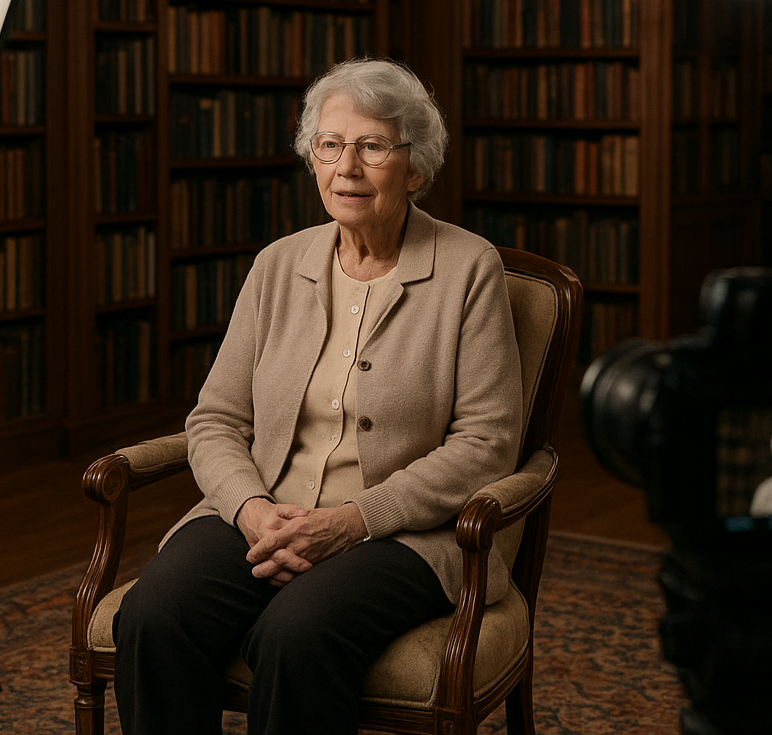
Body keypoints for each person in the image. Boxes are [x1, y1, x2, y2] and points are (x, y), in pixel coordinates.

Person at [113, 58, 524, 735]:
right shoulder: (279, 264)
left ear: (416, 166)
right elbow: (215, 418)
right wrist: (249, 510)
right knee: (155, 615)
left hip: (402, 534)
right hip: (264, 511)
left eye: (372, 147)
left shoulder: (467, 268)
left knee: (294, 636)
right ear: (312, 159)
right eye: (330, 145)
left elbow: (487, 444)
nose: (347, 168)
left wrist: (351, 520)